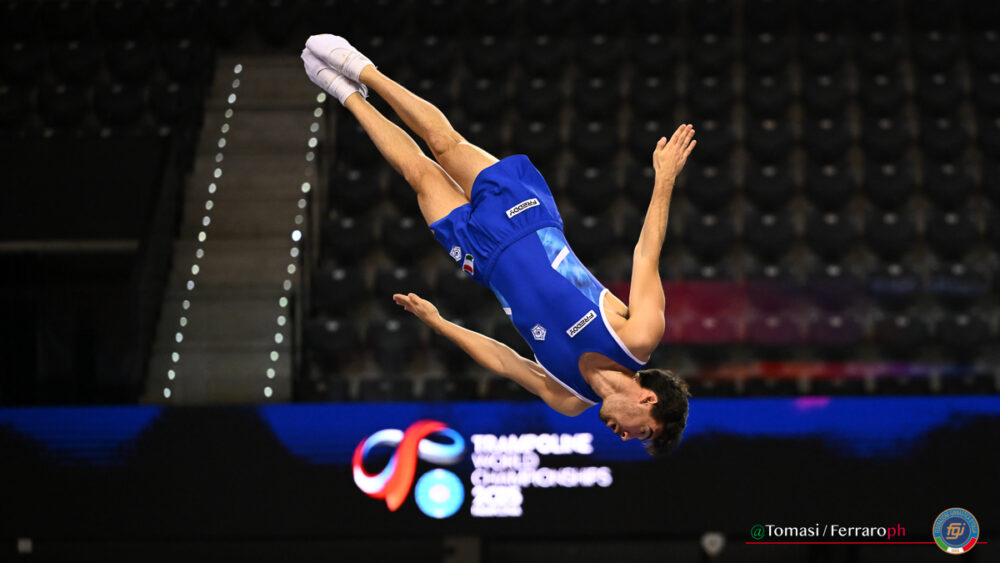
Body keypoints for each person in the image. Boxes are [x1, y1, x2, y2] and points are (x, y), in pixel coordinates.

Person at [302, 35, 693, 456]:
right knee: (443, 143)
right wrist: (665, 179)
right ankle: (364, 71)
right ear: (647, 400)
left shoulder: (568, 399)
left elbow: (506, 361)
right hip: (528, 219)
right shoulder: (637, 336)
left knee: (419, 175)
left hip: (484, 260)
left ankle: (346, 94)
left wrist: (440, 323)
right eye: (644, 433)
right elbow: (646, 253)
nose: (627, 437)